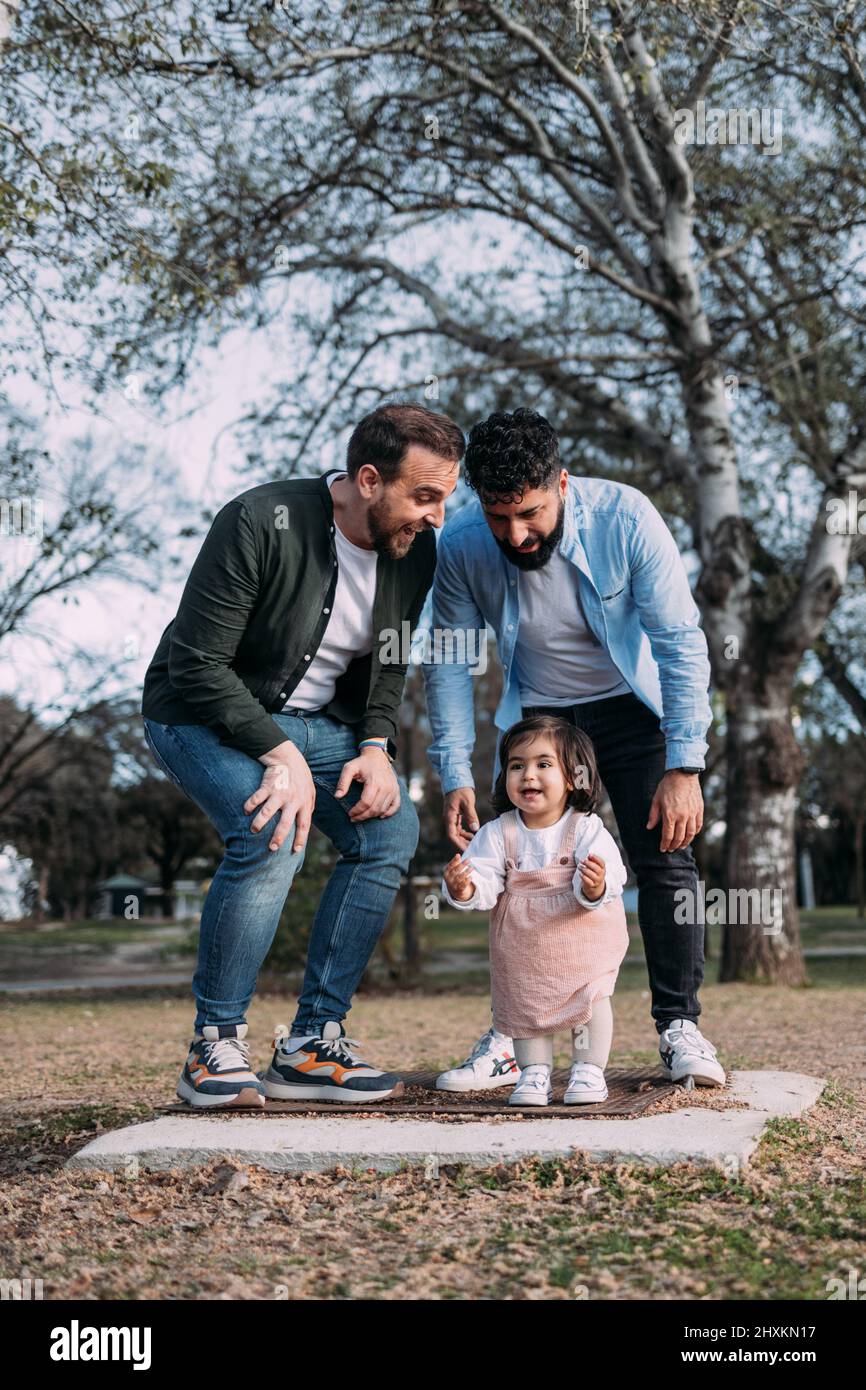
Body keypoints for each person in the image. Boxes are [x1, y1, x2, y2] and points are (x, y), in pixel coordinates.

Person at [141, 402, 462, 1107]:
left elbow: (389, 663)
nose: (437, 516)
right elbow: (196, 665)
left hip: (318, 725)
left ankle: (312, 1042)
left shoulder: (416, 551)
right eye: (426, 496)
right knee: (272, 828)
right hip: (199, 715)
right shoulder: (260, 520)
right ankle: (214, 1046)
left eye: (446, 497)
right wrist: (278, 753)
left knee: (390, 831)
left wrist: (376, 747)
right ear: (369, 480)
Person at [426, 408, 726, 1093]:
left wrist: (685, 763)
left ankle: (680, 1026)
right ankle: (510, 1036)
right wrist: (454, 772)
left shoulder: (627, 517)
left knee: (665, 858)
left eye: (530, 513)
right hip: (539, 715)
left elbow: (680, 641)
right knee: (515, 867)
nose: (516, 534)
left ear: (561, 482)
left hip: (630, 709)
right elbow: (446, 661)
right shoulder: (465, 543)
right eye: (500, 518)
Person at [442, 715, 629, 1105]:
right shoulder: (498, 831)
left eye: (544, 764)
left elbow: (614, 872)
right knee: (524, 1006)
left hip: (582, 939)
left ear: (574, 776)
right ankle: (533, 1073)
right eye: (517, 765)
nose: (528, 775)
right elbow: (486, 881)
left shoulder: (587, 827)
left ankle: (589, 1069)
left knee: (590, 999)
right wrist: (465, 886)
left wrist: (595, 883)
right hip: (524, 944)